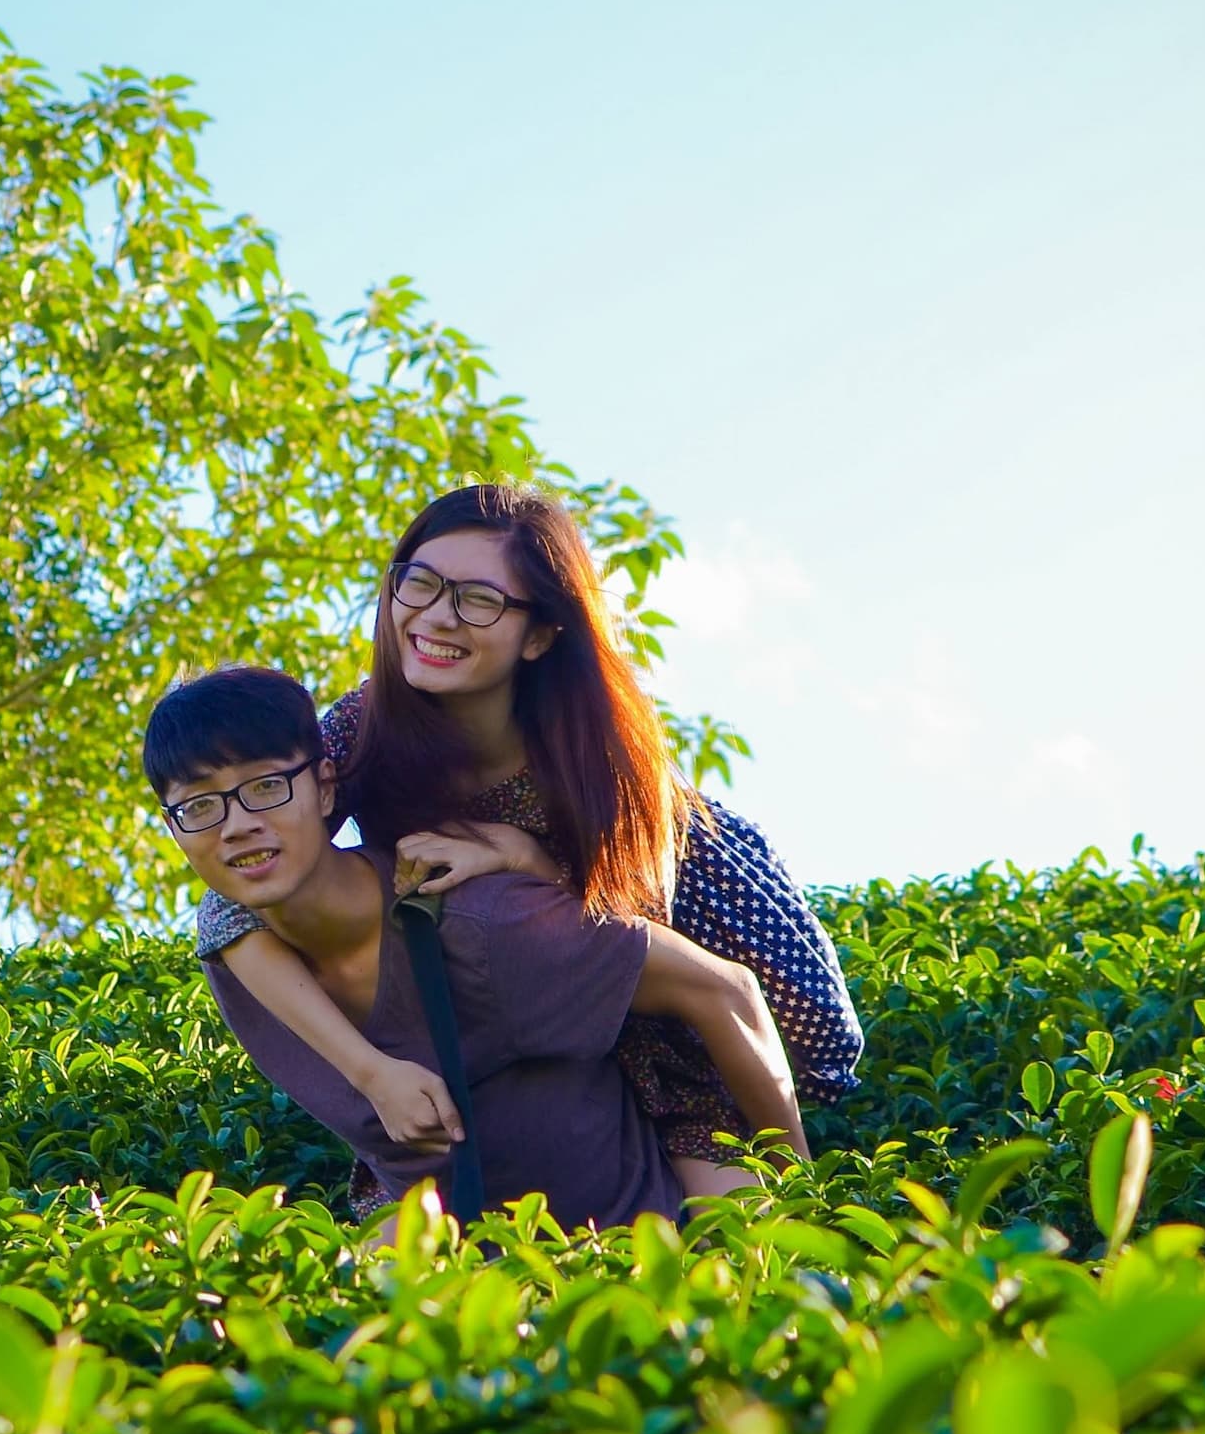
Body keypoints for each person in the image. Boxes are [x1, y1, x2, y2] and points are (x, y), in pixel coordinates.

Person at [197, 482, 861, 1200]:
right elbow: (233, 906)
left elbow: (636, 933)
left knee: (754, 1240)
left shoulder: (596, 752)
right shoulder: (364, 729)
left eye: (478, 600)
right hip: (511, 1038)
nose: (434, 617)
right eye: (418, 584)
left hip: (669, 1036)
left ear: (541, 634)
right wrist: (369, 1070)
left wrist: (520, 854)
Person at [147, 665, 799, 1231]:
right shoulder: (238, 962)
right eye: (199, 806)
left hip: (632, 1252)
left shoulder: (481, 923)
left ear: (324, 786)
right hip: (456, 1287)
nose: (237, 824)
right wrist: (373, 1073)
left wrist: (810, 1189)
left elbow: (727, 990)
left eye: (265, 787)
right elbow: (220, 914)